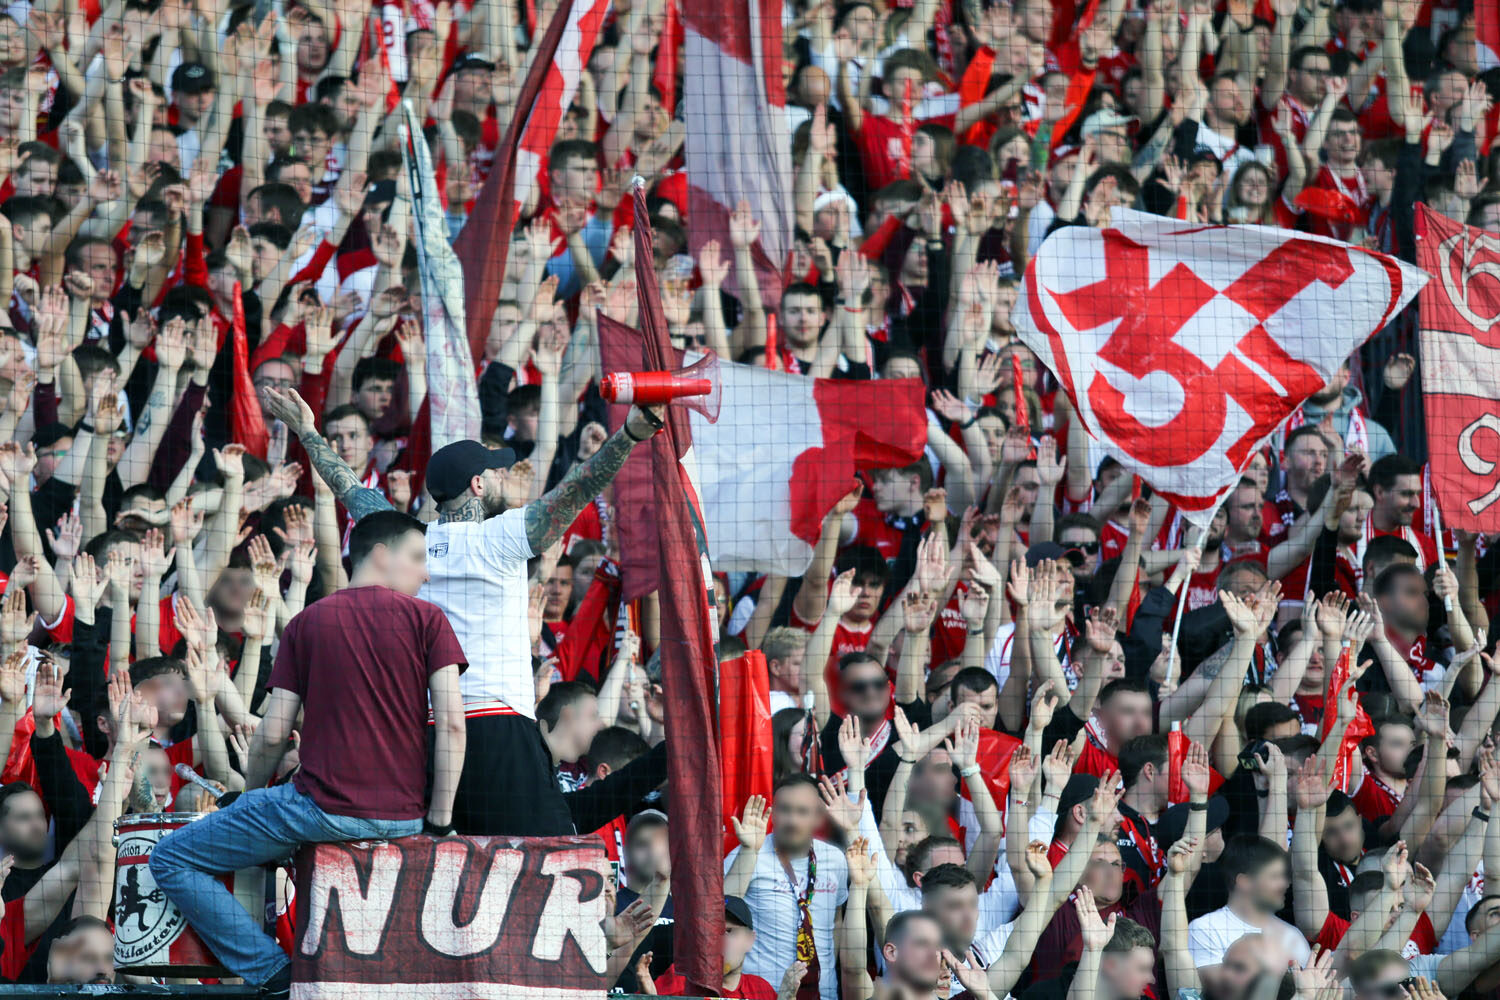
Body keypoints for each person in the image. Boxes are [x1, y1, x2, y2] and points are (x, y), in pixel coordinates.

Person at [262, 385, 666, 836]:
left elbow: (348, 488)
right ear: (478, 484)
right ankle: (675, 755)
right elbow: (582, 485)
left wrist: (308, 432)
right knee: (548, 857)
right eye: (494, 472)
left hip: (427, 741)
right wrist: (630, 433)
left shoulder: (407, 542)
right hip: (500, 729)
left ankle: (669, 758)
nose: (500, 478)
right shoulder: (507, 535)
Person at [150, 511, 468, 995]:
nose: (426, 573)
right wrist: (438, 822)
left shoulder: (309, 621)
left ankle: (272, 973)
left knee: (170, 860)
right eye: (419, 558)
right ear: (381, 555)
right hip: (405, 819)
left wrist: (251, 795)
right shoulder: (430, 619)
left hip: (319, 811)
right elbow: (450, 724)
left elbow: (274, 732)